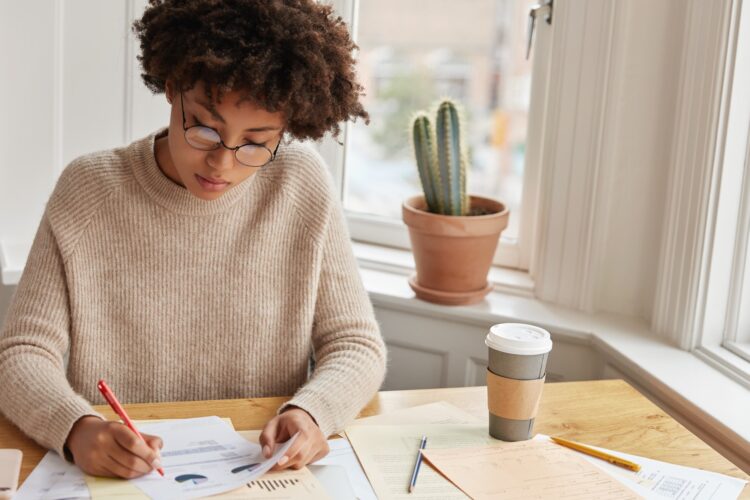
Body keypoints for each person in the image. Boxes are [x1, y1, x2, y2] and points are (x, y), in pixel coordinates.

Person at [0, 0, 386, 479]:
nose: (222, 164)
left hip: (259, 474)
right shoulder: (90, 190)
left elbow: (354, 343)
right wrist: (76, 428)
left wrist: (313, 412)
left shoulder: (300, 184)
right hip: (125, 478)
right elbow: (21, 353)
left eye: (256, 142)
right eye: (205, 127)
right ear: (172, 88)